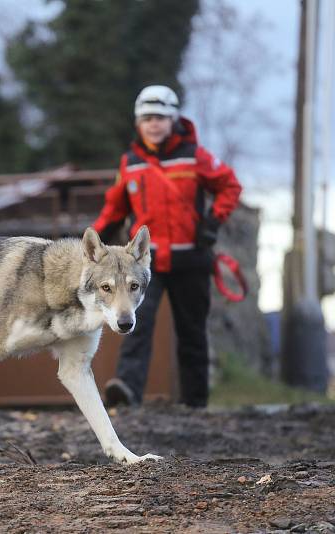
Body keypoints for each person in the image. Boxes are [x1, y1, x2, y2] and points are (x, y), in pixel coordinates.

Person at [92, 85, 242, 408]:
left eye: (160, 117)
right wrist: (93, 236)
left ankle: (194, 402)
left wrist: (213, 222)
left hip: (192, 257)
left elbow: (230, 186)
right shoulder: (129, 162)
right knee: (134, 323)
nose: (154, 124)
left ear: (173, 119)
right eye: (147, 118)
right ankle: (127, 390)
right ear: (138, 123)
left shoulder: (196, 156)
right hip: (147, 264)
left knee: (192, 333)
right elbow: (114, 208)